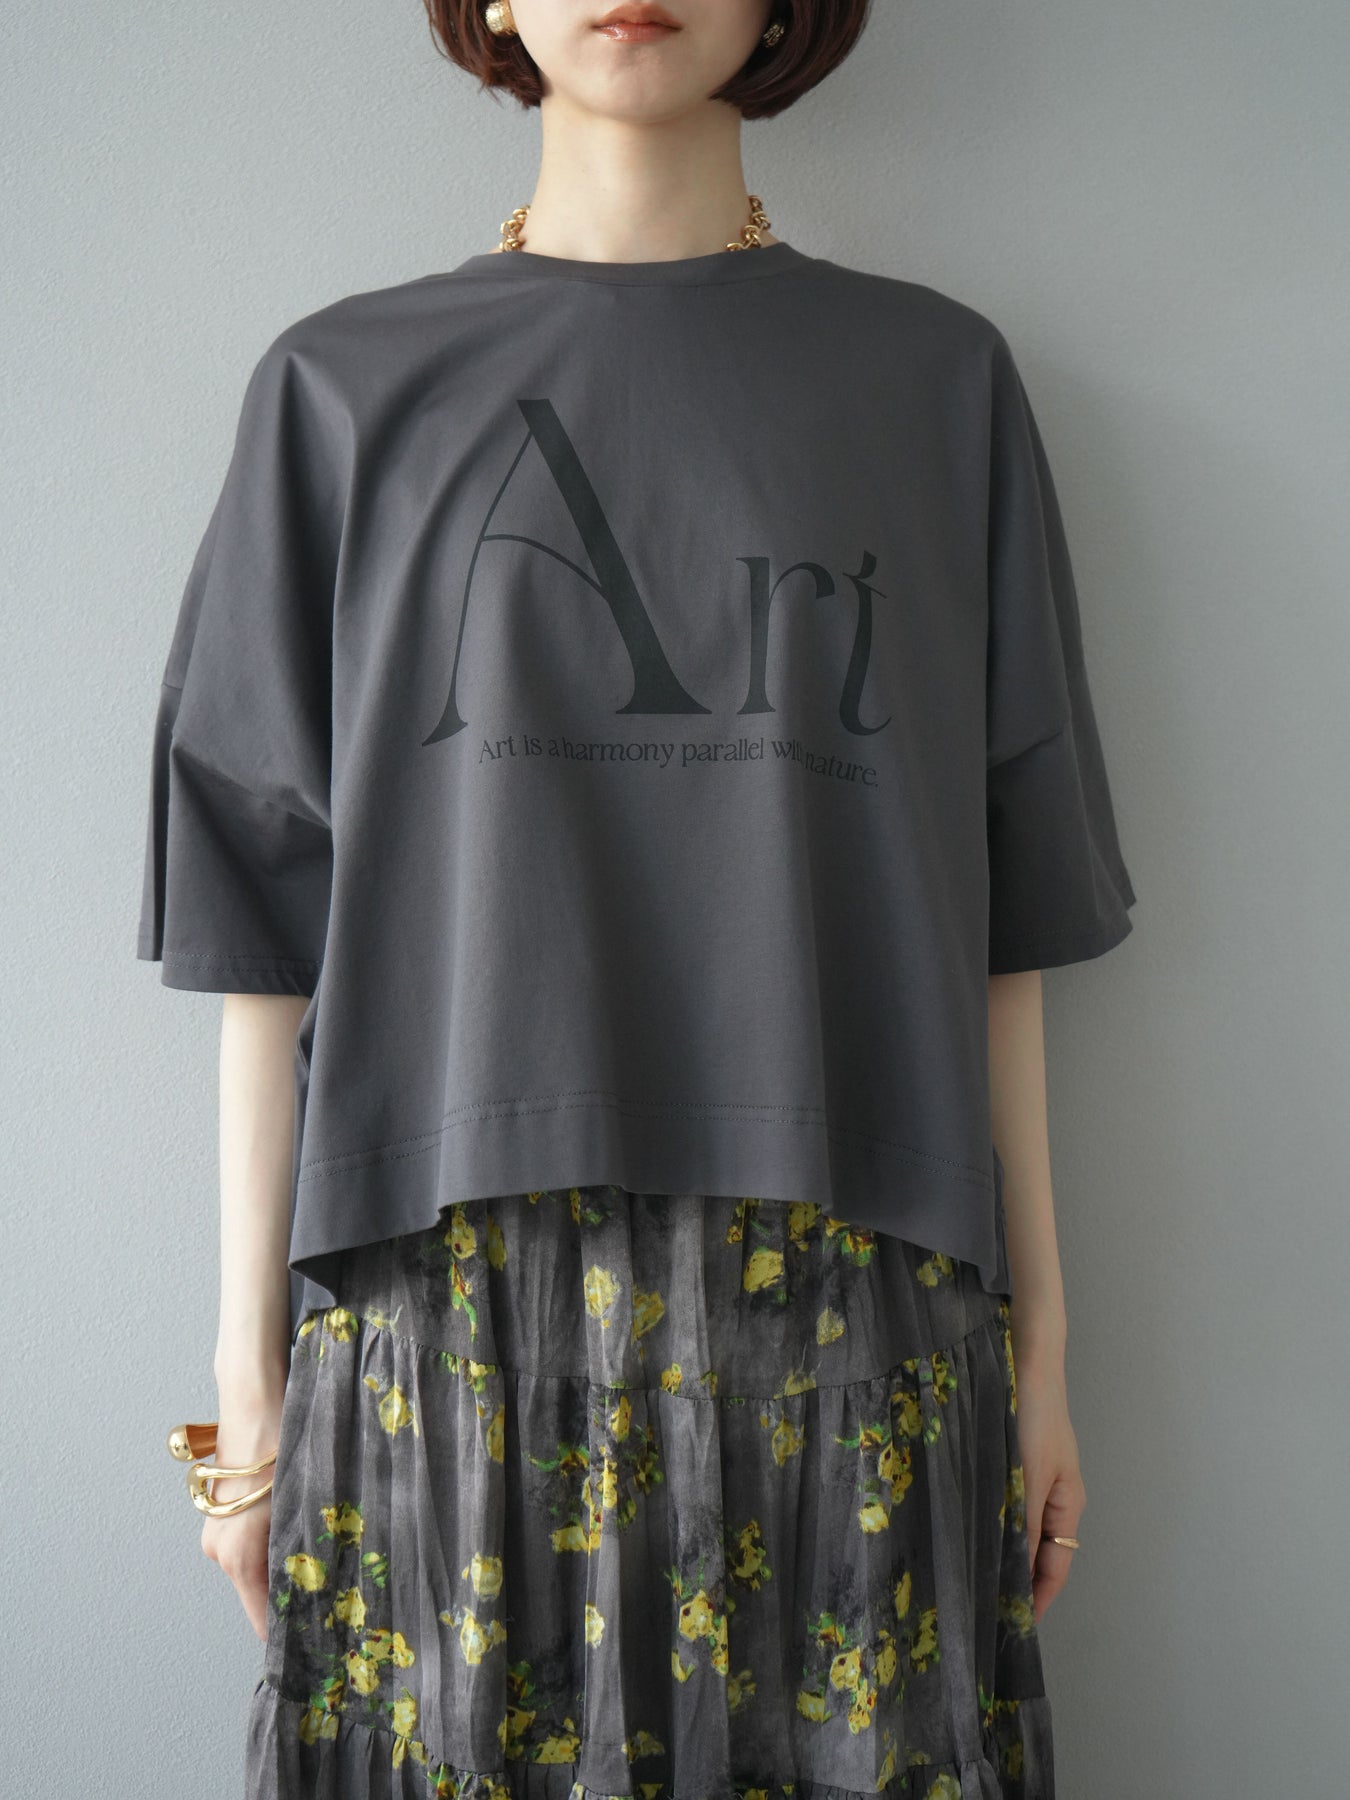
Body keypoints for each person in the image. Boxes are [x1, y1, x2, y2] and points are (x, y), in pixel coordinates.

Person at [140, 4, 1138, 1796]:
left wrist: (1046, 1348)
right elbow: (258, 923)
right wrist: (247, 1388)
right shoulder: (340, 388)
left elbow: (1001, 909)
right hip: (444, 1299)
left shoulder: (932, 381)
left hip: (854, 1290)